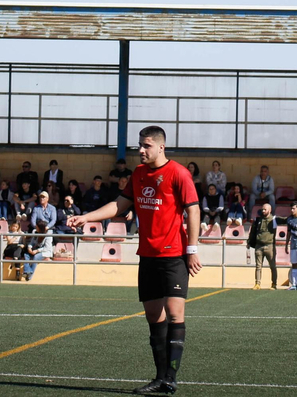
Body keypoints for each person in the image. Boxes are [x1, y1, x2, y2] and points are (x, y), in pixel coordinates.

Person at [68, 125, 201, 396]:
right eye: (139, 145)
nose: (141, 150)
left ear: (161, 147)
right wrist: (87, 217)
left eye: (146, 145)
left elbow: (194, 210)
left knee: (175, 313)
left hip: (173, 254)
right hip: (147, 255)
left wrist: (192, 249)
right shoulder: (138, 174)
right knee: (153, 316)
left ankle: (171, 378)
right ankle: (159, 378)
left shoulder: (179, 173)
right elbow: (119, 204)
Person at [246, 201, 278, 289]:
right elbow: (252, 231)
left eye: (265, 209)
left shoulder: (274, 220)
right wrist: (249, 241)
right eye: (262, 209)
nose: (263, 211)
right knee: (258, 266)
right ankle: (257, 284)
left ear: (270, 210)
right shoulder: (257, 220)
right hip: (259, 246)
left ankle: (274, 284)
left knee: (272, 266)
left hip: (270, 246)